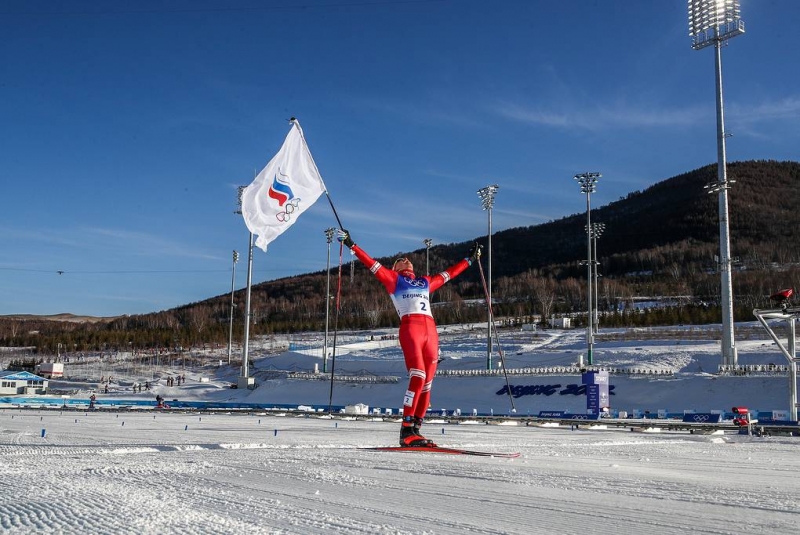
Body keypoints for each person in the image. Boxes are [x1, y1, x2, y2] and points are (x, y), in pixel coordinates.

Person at [338, 229, 481, 447]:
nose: (406, 259)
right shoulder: (393, 279)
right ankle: (405, 429)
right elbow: (371, 264)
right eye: (400, 259)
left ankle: (416, 429)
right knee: (418, 376)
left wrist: (469, 259)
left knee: (428, 383)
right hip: (411, 328)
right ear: (395, 268)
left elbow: (450, 274)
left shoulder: (425, 281)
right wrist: (351, 244)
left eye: (408, 259)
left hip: (431, 332)